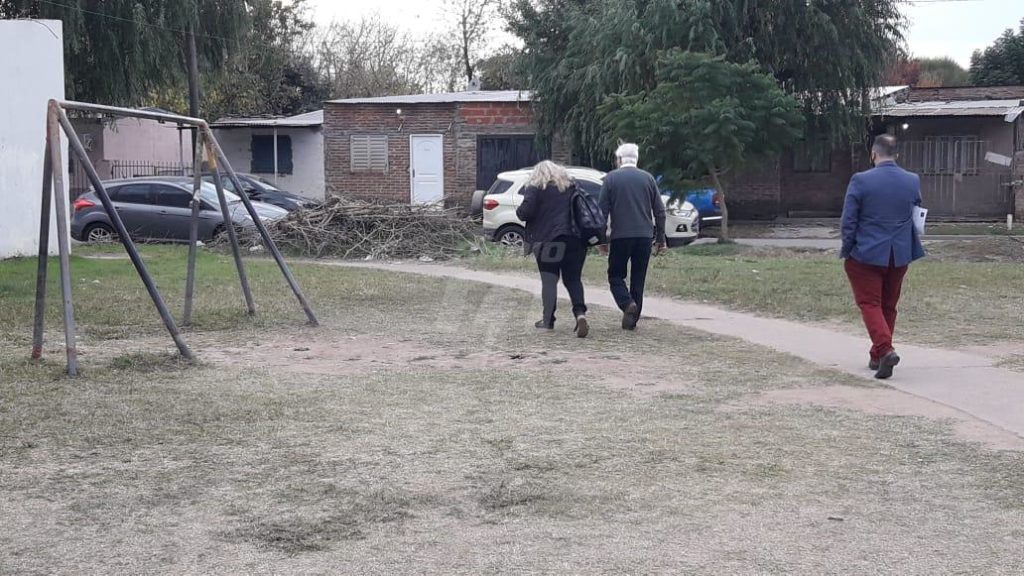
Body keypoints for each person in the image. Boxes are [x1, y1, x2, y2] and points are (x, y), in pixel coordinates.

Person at [840, 134, 925, 380]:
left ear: (873, 154)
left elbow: (849, 220)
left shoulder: (860, 180)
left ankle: (885, 350)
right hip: (899, 254)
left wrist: (847, 249)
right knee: (888, 305)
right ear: (896, 155)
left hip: (866, 253)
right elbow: (916, 214)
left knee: (870, 304)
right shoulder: (912, 180)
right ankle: (877, 355)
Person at [516, 160, 590, 338]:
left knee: (549, 281)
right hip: (574, 239)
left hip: (547, 241)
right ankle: (580, 314)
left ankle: (548, 320)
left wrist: (520, 208)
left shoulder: (535, 188)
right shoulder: (571, 187)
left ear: (537, 175)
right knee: (573, 279)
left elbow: (524, 213)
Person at [598, 143, 667, 330]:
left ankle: (627, 303)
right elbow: (660, 211)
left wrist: (601, 238)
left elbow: (601, 212)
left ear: (620, 159)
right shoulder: (648, 179)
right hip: (644, 236)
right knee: (638, 278)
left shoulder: (611, 179)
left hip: (620, 236)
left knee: (615, 275)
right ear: (636, 159)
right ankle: (632, 320)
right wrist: (660, 238)